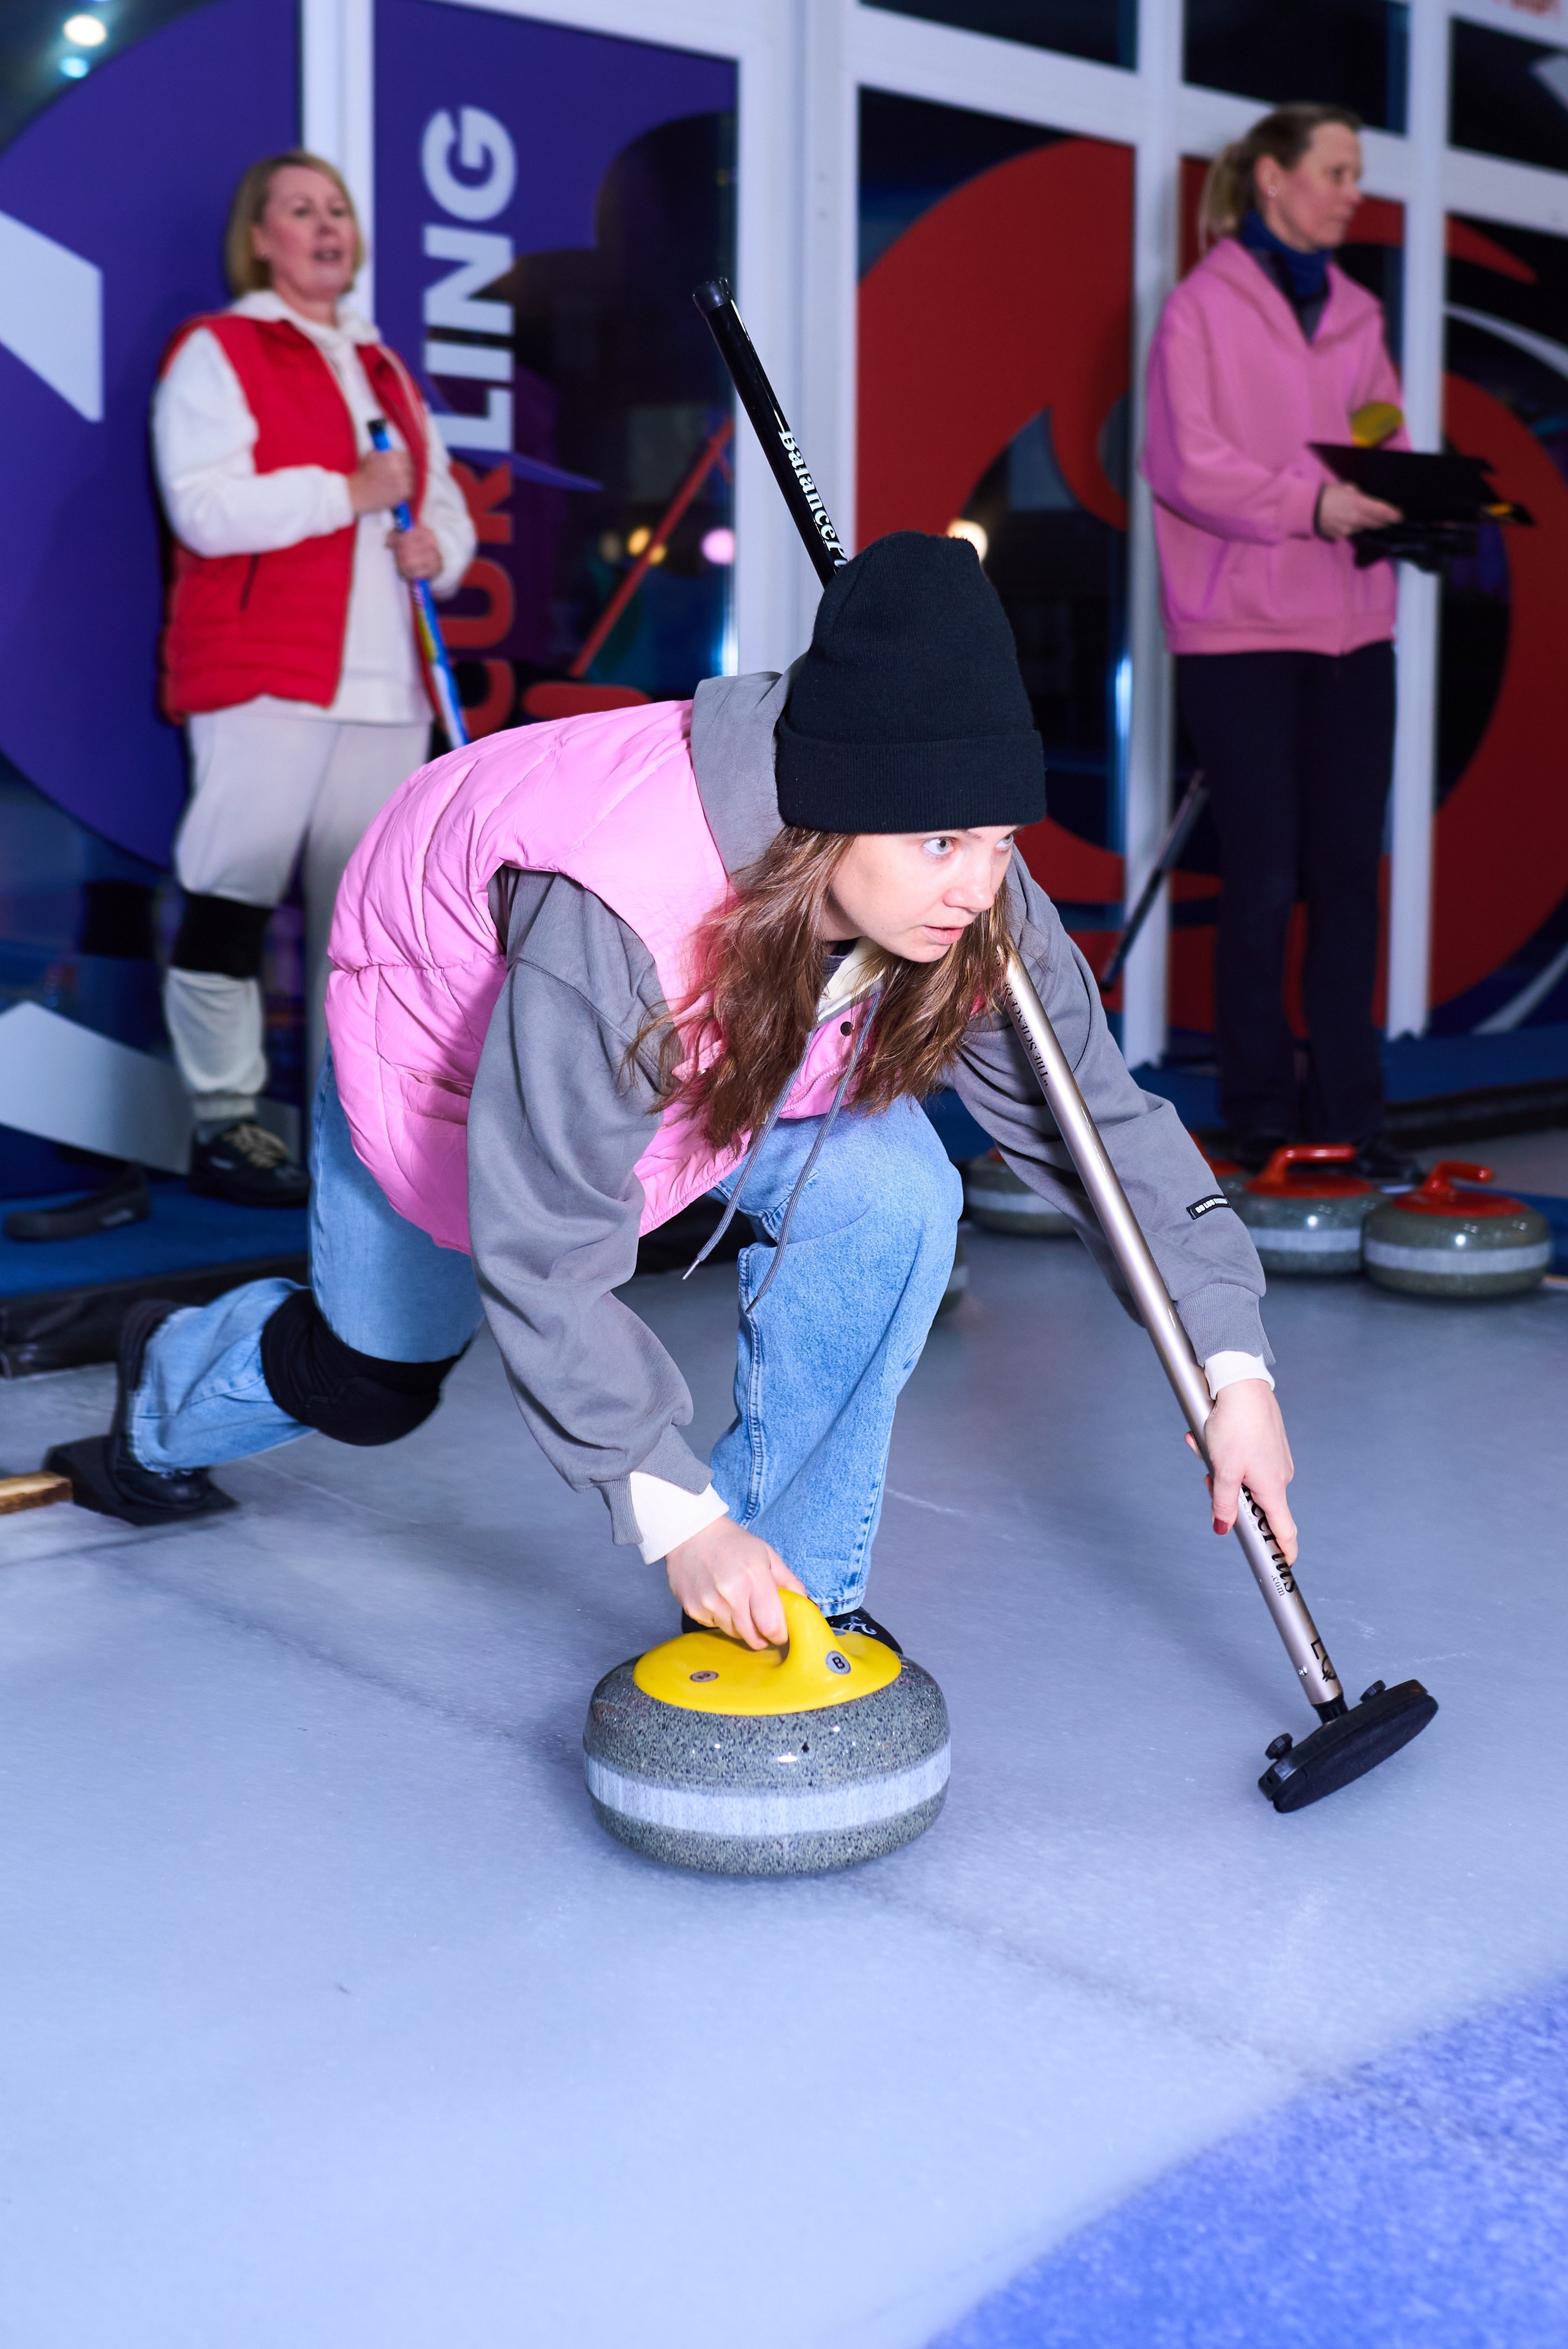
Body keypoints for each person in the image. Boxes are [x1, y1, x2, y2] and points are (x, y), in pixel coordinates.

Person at [50, 537, 1296, 1650]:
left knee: (895, 1189)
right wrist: (673, 1513)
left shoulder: (954, 877)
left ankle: (790, 1598)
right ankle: (167, 1383)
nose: (979, 885)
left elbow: (1102, 1127)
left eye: (1000, 842)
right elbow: (545, 1253)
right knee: (371, 1381)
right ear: (836, 818)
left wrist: (1231, 1362)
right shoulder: (620, 911)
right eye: (940, 845)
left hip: (721, 1072)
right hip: (451, 1059)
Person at [153, 150, 477, 1207]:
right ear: (261, 235)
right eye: (300, 210)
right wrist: (347, 490)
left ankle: (364, 1117)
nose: (326, 225)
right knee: (231, 886)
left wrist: (441, 548)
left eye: (337, 207)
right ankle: (225, 1120)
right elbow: (204, 507)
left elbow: (445, 512)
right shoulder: (221, 350)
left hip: (387, 686)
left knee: (367, 920)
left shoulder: (386, 368)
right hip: (266, 674)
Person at [1143, 104, 1416, 1181]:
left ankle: (1354, 1112)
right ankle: (1258, 1111)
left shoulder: (1355, 312)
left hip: (1355, 625)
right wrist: (1315, 504)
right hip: (1239, 631)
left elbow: (1378, 428)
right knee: (1261, 877)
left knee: (1348, 878)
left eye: (1358, 172)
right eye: (1337, 170)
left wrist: (1404, 488)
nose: (1354, 190)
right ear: (1271, 178)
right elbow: (1186, 464)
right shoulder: (1199, 309)